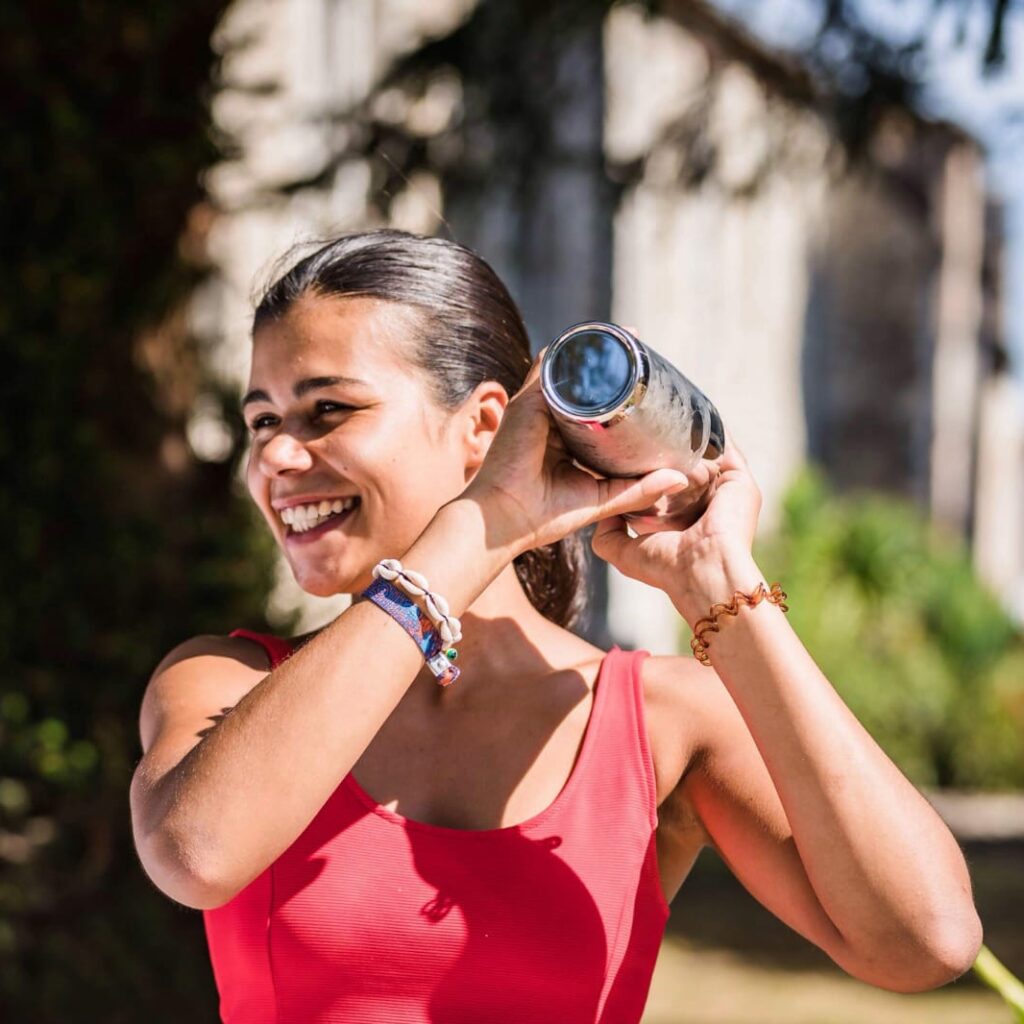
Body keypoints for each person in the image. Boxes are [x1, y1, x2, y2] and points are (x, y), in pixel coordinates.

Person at [129, 229, 982, 1023]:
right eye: (263, 421)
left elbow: (926, 940)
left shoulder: (661, 720)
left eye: (328, 411)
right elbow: (198, 853)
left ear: (484, 428)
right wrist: (479, 527)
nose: (276, 458)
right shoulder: (228, 683)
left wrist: (723, 583)